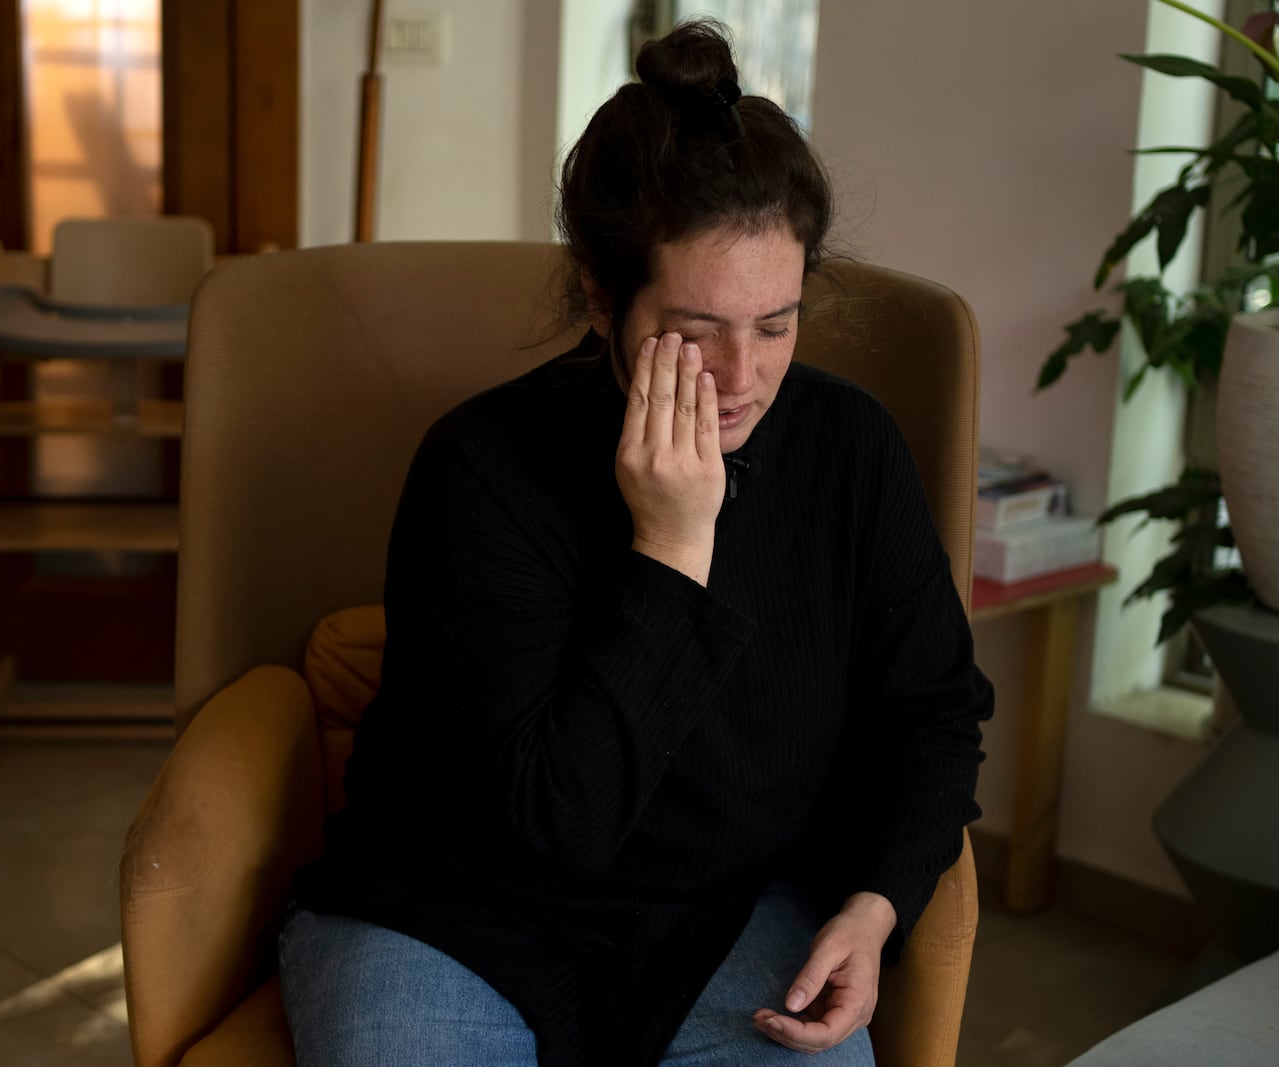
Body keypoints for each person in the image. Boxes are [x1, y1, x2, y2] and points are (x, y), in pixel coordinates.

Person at [278, 18, 992, 1067]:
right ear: (599, 293)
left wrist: (880, 900)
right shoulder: (480, 465)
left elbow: (929, 712)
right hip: (451, 911)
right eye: (695, 329)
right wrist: (670, 546)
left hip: (727, 917)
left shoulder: (848, 448)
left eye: (777, 322)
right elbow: (555, 826)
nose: (742, 376)